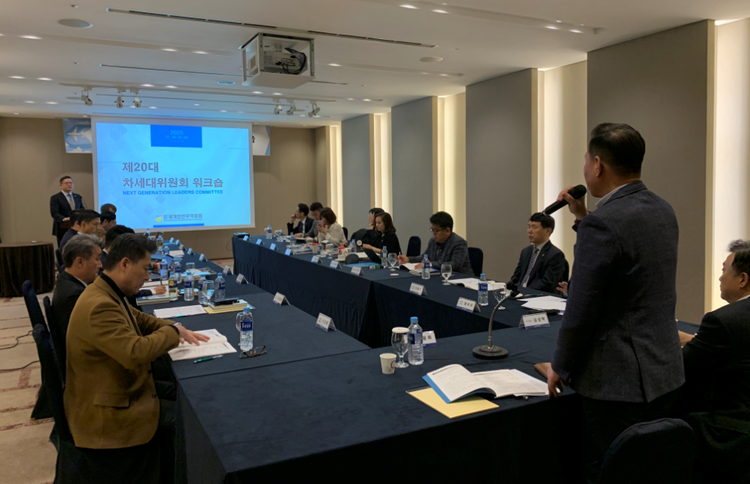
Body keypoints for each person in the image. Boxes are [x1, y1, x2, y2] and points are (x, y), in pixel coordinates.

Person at [546, 123, 684, 482]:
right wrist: (582, 216)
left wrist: (560, 364)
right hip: (665, 369)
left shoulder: (604, 224)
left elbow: (581, 307)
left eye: (585, 161)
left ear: (598, 165)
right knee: (652, 471)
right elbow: (626, 264)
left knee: (608, 471)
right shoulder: (663, 209)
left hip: (617, 380)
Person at [64, 234, 209, 482]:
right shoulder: (100, 305)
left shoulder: (105, 290)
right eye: (145, 269)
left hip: (117, 387)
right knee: (191, 420)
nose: (147, 277)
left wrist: (174, 327)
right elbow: (135, 353)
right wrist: (173, 333)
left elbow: (139, 318)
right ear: (125, 264)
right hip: (110, 410)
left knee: (186, 395)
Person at [677, 240, 750, 484]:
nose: (720, 277)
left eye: (724, 270)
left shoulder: (723, 321)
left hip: (734, 436)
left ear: (743, 279)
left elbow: (685, 370)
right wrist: (696, 340)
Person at [50, 234, 102, 376]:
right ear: (80, 262)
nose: (100, 265)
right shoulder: (74, 295)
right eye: (97, 259)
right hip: (86, 368)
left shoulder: (65, 281)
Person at [397, 211, 473, 275]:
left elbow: (454, 265)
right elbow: (425, 257)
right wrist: (408, 259)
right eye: (432, 230)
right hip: (439, 276)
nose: (433, 233)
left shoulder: (459, 243)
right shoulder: (433, 241)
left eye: (436, 230)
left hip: (461, 279)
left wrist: (430, 264)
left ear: (447, 230)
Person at [509, 212, 568, 293]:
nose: (530, 231)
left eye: (534, 227)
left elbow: (547, 283)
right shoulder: (526, 251)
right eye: (529, 227)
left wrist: (524, 291)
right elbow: (517, 275)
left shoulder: (555, 255)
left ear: (548, 231)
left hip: (537, 296)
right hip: (519, 294)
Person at [50, 175, 84, 246]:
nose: (69, 185)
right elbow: (54, 213)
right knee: (64, 248)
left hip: (77, 227)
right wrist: (65, 219)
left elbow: (82, 209)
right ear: (61, 185)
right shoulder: (56, 197)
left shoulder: (77, 196)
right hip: (62, 228)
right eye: (67, 183)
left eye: (71, 183)